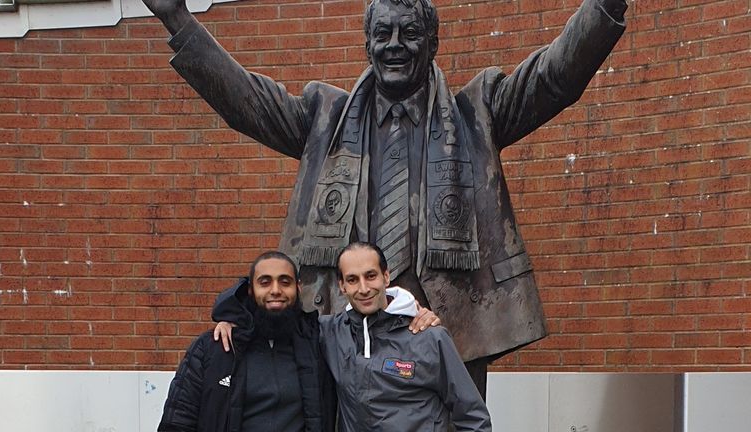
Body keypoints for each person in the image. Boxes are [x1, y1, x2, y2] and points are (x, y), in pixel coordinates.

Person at [142, 0, 628, 395]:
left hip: (447, 326)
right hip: (343, 325)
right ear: (367, 44)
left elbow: (553, 77)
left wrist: (605, 4)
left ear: (433, 43)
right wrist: (178, 18)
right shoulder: (324, 119)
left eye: (409, 33)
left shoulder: (476, 112)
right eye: (383, 34)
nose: (395, 45)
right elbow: (244, 101)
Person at [158, 252, 336, 432]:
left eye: (285, 282)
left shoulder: (319, 344)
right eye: (265, 282)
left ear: (298, 288)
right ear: (250, 290)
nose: (275, 290)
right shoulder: (213, 348)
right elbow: (177, 422)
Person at [324, 242, 492, 431]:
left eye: (370, 276)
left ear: (386, 277)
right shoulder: (331, 333)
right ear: (342, 286)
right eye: (353, 279)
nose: (363, 288)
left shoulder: (429, 337)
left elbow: (473, 417)